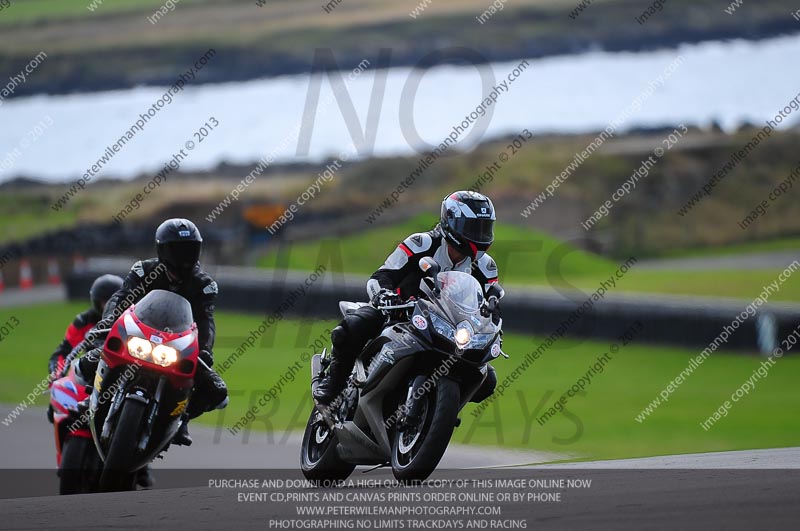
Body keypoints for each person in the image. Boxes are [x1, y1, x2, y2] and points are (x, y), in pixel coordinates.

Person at [313, 190, 501, 405]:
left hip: (448, 329)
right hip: (400, 314)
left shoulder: (486, 266)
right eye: (474, 228)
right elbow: (382, 276)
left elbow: (491, 306)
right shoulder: (421, 244)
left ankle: (438, 411)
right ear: (451, 222)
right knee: (356, 325)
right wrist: (385, 296)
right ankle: (334, 382)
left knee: (487, 379)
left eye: (484, 228)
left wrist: (492, 327)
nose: (480, 235)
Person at [75, 218, 228, 447]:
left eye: (189, 249)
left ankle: (182, 418)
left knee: (217, 392)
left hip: (175, 346)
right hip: (138, 336)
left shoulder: (204, 285)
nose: (184, 256)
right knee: (88, 360)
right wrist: (108, 322)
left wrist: (205, 350)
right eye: (177, 249)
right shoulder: (144, 270)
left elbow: (206, 321)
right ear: (162, 250)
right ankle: (93, 397)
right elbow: (121, 297)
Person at [47, 274, 124, 421]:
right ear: (96, 302)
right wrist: (56, 376)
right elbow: (63, 352)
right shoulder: (83, 321)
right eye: (105, 302)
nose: (109, 307)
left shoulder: (129, 321)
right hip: (89, 374)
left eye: (114, 302)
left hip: (120, 373)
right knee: (56, 405)